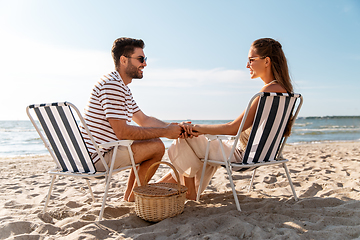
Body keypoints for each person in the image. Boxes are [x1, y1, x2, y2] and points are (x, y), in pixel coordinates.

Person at [160, 38, 294, 200]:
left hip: (242, 155)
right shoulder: (286, 92)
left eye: (251, 60)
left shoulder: (266, 93)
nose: (247, 65)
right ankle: (163, 188)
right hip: (263, 154)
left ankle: (185, 192)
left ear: (266, 61)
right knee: (197, 144)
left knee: (186, 137)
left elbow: (233, 128)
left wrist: (194, 127)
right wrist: (198, 129)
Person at [81, 37, 182, 202]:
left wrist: (172, 127)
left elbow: (143, 119)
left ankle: (131, 196)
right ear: (123, 60)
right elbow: (123, 132)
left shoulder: (121, 87)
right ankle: (134, 197)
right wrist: (165, 132)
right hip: (97, 158)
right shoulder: (112, 85)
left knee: (151, 143)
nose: (145, 64)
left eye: (145, 59)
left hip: (95, 153)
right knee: (156, 147)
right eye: (141, 59)